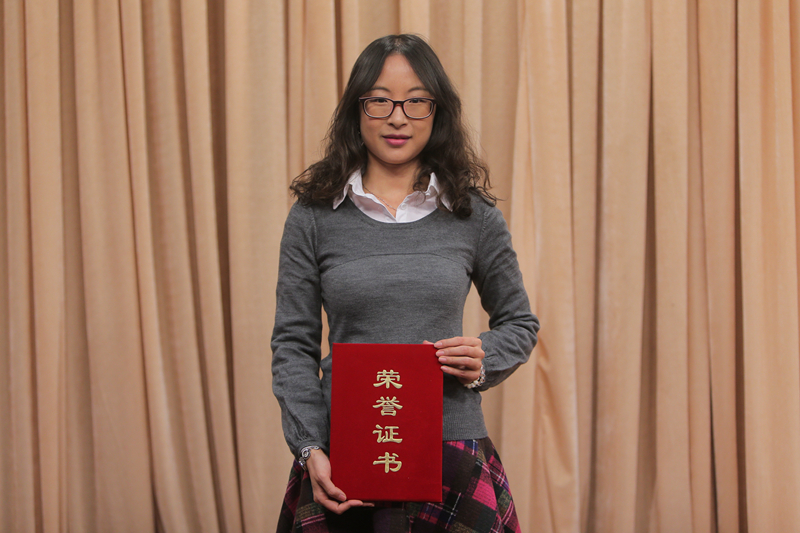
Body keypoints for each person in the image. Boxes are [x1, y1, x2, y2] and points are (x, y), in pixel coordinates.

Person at [271, 34, 539, 533]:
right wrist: (310, 446)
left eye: (416, 101)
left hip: (450, 448)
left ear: (438, 112)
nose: (398, 117)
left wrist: (483, 358)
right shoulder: (312, 217)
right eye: (380, 100)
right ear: (356, 111)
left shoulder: (474, 215)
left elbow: (520, 323)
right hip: (345, 453)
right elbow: (292, 345)